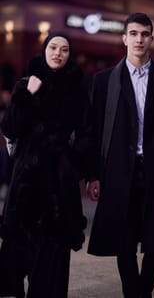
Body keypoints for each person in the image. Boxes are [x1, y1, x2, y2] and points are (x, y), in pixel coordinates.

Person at [86, 13, 154, 298]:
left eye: (144, 34)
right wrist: (93, 174)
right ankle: (133, 294)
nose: (139, 39)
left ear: (151, 39)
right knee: (124, 241)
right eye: (133, 33)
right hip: (119, 172)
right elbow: (95, 132)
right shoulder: (103, 81)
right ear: (124, 38)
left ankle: (141, 292)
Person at [0, 32, 94, 298]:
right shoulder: (25, 85)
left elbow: (87, 133)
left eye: (64, 50)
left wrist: (74, 164)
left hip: (58, 185)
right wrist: (27, 96)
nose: (58, 53)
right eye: (53, 47)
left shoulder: (76, 92)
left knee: (53, 254)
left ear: (69, 55)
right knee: (15, 255)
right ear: (44, 50)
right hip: (26, 183)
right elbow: (9, 127)